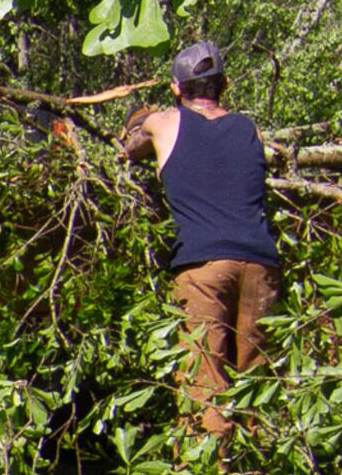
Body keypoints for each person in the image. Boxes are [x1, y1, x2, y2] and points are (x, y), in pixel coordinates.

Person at [118, 42, 279, 439]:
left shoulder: (164, 123)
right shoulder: (249, 127)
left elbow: (129, 146)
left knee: (205, 385)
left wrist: (139, 120)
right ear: (224, 84)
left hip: (204, 269)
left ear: (177, 88)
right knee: (258, 384)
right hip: (261, 266)